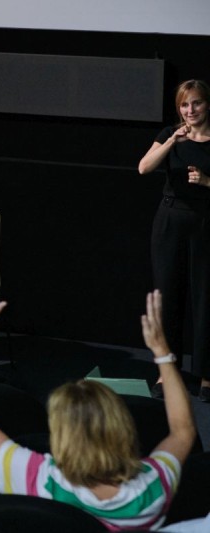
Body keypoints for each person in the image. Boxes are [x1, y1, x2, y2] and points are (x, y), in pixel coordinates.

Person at [0, 277, 195, 531]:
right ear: (122, 427)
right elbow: (183, 429)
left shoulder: (35, 476)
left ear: (59, 434)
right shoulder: (152, 489)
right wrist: (163, 354)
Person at [138, 79, 210, 401]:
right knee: (168, 298)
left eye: (196, 103)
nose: (190, 110)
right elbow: (143, 168)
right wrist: (171, 143)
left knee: (206, 299)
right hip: (170, 221)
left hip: (206, 223)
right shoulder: (170, 134)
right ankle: (167, 372)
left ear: (207, 105)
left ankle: (206, 375)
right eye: (184, 105)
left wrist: (208, 181)